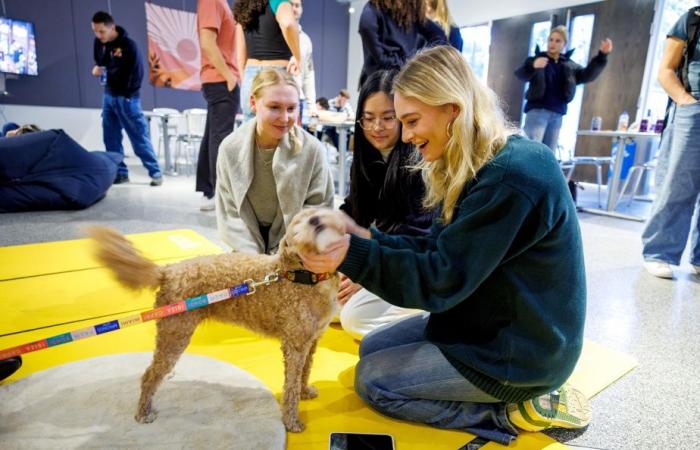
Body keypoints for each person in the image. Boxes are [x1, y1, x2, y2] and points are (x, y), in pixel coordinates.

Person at [300, 46, 590, 445]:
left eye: (411, 120)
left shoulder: (512, 175)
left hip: (522, 352)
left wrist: (353, 252)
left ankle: (509, 410)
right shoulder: (472, 165)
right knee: (371, 347)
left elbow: (439, 282)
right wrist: (360, 238)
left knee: (374, 382)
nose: (404, 135)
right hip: (484, 320)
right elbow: (435, 251)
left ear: (452, 108)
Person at [337, 69, 434, 340]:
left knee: (353, 319)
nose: (377, 127)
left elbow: (415, 236)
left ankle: (430, 318)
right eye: (368, 119)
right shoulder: (366, 158)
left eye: (388, 118)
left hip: (410, 262)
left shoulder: (420, 159)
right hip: (381, 254)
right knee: (327, 300)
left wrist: (367, 271)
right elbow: (354, 209)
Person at [215, 68, 333, 254]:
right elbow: (230, 214)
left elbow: (318, 208)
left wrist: (284, 254)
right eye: (274, 107)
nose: (285, 118)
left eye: (292, 108)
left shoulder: (312, 150)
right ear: (253, 103)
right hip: (244, 244)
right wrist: (256, 261)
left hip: (296, 247)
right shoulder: (230, 148)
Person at [641, 7, 700, 279]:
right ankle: (658, 252)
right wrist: (687, 101)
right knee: (678, 184)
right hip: (693, 109)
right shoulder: (692, 19)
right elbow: (665, 70)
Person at [91, 11, 163, 186]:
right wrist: (98, 69)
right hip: (108, 97)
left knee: (138, 137)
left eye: (101, 31)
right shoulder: (99, 43)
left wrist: (127, 95)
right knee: (111, 138)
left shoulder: (128, 45)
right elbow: (100, 63)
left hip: (128, 99)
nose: (98, 35)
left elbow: (138, 74)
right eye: (95, 31)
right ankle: (120, 173)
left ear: (112, 28)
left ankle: (155, 172)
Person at [514, 25, 613, 152]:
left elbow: (587, 75)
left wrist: (602, 56)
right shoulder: (537, 60)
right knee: (530, 151)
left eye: (557, 40)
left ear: (564, 44)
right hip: (537, 112)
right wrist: (533, 65)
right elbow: (520, 74)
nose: (552, 43)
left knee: (548, 155)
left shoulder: (569, 65)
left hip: (557, 114)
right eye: (551, 39)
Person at [196, 0, 242, 212]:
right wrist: (229, 77)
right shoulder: (212, 1)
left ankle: (209, 190)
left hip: (219, 80)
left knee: (213, 136)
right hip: (220, 80)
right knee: (220, 139)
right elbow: (207, 42)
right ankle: (219, 195)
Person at [233, 0, 302, 120]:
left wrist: (247, 81)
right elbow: (288, 24)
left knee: (251, 131)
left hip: (250, 76)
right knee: (280, 130)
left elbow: (240, 57)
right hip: (277, 75)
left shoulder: (243, 6)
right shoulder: (278, 1)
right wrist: (297, 57)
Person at [358, 0, 446, 87]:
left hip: (382, 79)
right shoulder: (410, 12)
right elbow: (439, 35)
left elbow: (366, 27)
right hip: (396, 78)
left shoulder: (373, 8)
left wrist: (419, 59)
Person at [290, 0, 317, 118]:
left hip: (297, 100)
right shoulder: (274, 34)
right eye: (291, 5)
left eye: (297, 5)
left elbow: (308, 75)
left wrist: (312, 106)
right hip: (276, 96)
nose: (294, 9)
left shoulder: (306, 40)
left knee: (294, 136)